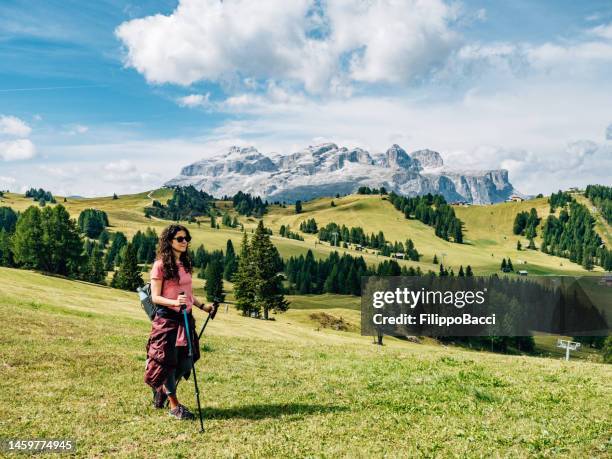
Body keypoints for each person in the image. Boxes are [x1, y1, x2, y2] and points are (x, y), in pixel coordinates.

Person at [143, 224, 216, 420]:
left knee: (187, 360)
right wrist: (175, 302)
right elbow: (156, 297)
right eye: (180, 239)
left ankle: (162, 390)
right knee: (167, 362)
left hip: (186, 319)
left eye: (186, 238)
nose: (185, 242)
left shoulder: (184, 264)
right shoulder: (160, 266)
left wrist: (204, 307)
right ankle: (174, 405)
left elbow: (188, 294)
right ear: (169, 242)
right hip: (167, 319)